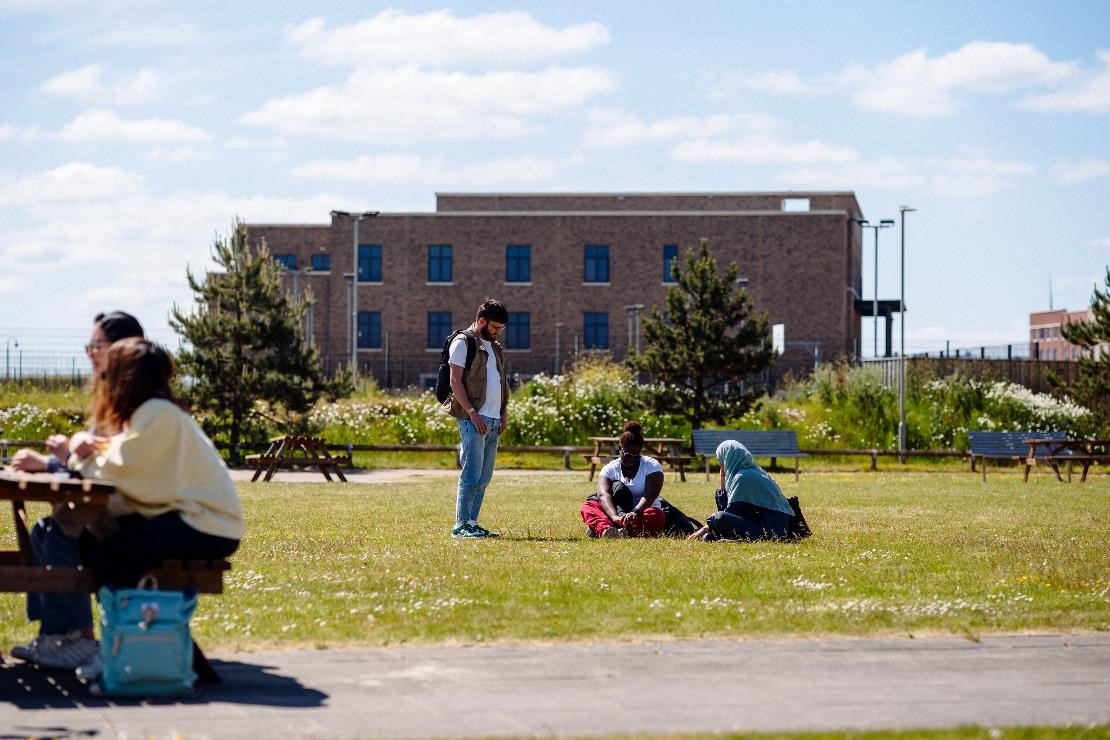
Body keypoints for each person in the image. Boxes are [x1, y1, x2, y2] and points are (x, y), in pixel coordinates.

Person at [8, 311, 144, 671]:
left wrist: (54, 463)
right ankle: (58, 635)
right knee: (43, 531)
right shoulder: (115, 395)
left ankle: (75, 638)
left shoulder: (134, 400)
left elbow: (110, 462)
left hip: (133, 516)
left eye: (95, 345)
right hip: (116, 507)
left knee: (56, 532)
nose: (90, 354)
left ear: (121, 349)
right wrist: (60, 459)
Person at [442, 298, 509, 538]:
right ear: (481, 321)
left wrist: (503, 411)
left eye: (501, 329)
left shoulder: (494, 346)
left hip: (493, 419)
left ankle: (472, 522)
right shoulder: (463, 342)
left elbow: (500, 382)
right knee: (471, 473)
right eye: (495, 328)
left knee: (484, 477)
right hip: (473, 419)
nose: (498, 332)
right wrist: (472, 413)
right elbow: (455, 381)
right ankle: (460, 525)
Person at [687, 440, 795, 541]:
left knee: (718, 518)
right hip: (777, 529)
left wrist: (706, 528)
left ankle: (709, 536)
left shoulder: (743, 477)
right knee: (719, 518)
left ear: (727, 458)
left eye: (719, 459)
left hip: (772, 531)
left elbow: (730, 513)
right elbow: (733, 513)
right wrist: (723, 485)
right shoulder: (755, 471)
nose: (719, 463)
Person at [580, 421, 666, 538]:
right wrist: (615, 516)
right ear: (620, 447)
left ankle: (614, 531)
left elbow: (652, 494)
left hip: (641, 513)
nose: (632, 459)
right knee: (589, 506)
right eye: (628, 454)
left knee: (656, 515)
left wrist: (635, 512)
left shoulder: (651, 465)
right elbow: (603, 494)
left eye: (636, 455)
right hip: (616, 514)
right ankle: (606, 530)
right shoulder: (610, 468)